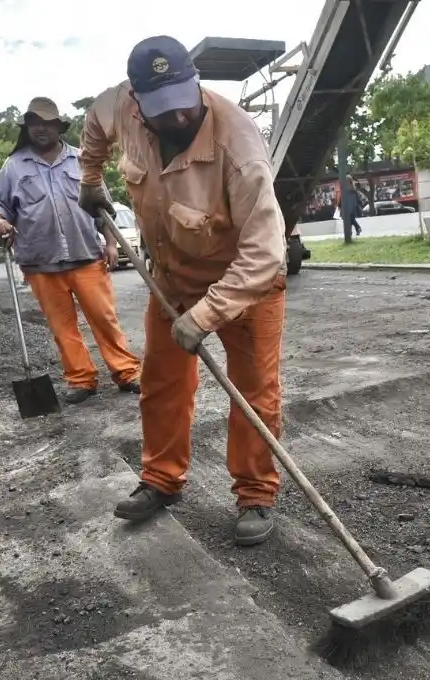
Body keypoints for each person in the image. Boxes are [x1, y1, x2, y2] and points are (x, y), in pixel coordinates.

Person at [77, 36, 288, 546]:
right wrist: (90, 177)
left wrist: (204, 317)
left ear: (197, 83)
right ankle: (161, 479)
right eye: (161, 110)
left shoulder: (239, 149)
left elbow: (265, 255)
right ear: (137, 101)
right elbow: (93, 124)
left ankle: (256, 493)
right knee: (162, 384)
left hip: (244, 287)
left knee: (254, 395)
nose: (176, 118)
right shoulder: (118, 107)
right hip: (171, 280)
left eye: (183, 103)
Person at [0, 97, 142, 404]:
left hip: (85, 255)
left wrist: (110, 243)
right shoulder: (13, 167)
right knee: (62, 327)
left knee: (104, 318)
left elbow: (103, 207)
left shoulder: (81, 160)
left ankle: (126, 372)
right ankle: (81, 379)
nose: (40, 129)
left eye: (46, 123)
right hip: (40, 262)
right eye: (34, 124)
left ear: (59, 127)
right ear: (27, 128)